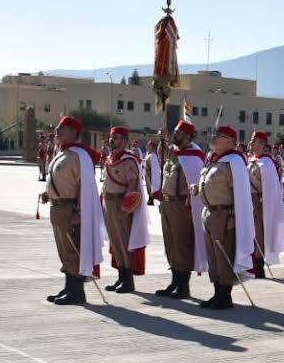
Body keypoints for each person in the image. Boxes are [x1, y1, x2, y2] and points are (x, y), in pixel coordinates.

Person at [41, 116, 104, 305]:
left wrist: (80, 212)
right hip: (57, 207)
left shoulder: (79, 156)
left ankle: (77, 292)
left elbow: (84, 187)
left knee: (72, 250)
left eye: (62, 128)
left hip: (70, 210)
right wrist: (47, 193)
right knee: (64, 250)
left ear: (74, 133)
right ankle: (68, 287)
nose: (57, 131)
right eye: (58, 127)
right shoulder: (62, 153)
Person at [192, 125, 254, 310]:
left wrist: (234, 217)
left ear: (229, 141)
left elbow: (240, 193)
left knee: (223, 255)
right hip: (209, 212)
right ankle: (217, 291)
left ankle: (225, 296)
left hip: (224, 214)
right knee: (212, 256)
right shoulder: (213, 160)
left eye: (218, 136)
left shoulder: (234, 161)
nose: (214, 138)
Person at [154, 120, 207, 299]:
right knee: (171, 243)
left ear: (188, 136)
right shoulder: (173, 152)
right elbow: (160, 157)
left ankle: (183, 286)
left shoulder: (194, 155)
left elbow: (197, 182)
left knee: (181, 244)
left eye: (178, 133)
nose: (174, 135)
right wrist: (162, 140)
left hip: (182, 205)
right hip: (167, 202)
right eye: (174, 132)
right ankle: (174, 281)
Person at [100, 126, 147, 294]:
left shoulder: (128, 160)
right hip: (108, 202)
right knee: (115, 243)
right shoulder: (110, 158)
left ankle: (128, 281)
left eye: (117, 138)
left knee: (124, 242)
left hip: (121, 204)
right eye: (111, 137)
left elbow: (132, 188)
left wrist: (125, 209)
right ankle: (121, 276)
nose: (112, 140)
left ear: (125, 141)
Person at [248, 132, 284, 276]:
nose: (251, 142)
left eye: (254, 140)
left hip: (261, 202)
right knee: (252, 233)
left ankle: (259, 265)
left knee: (260, 233)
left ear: (262, 144)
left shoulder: (266, 163)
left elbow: (271, 188)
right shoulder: (252, 160)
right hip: (250, 201)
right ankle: (253, 262)